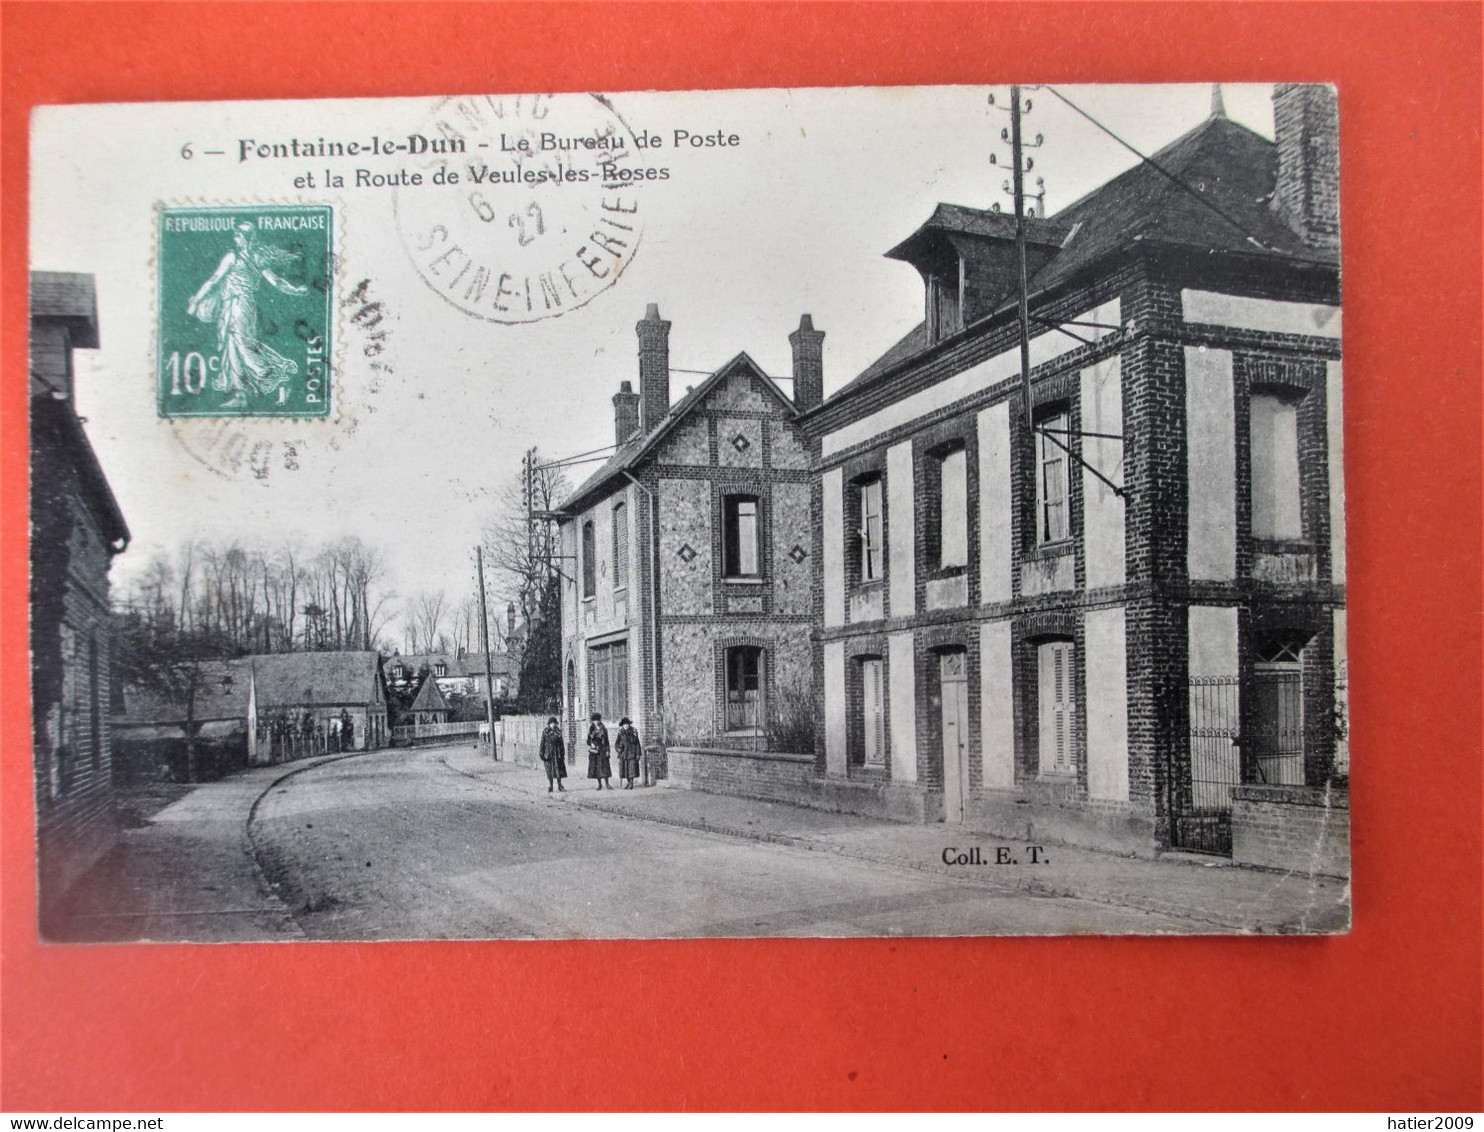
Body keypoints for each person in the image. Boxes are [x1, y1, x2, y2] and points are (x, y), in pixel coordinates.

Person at [187, 221, 310, 408]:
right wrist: (295, 290)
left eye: (238, 235)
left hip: (241, 304)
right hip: (232, 305)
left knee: (243, 345)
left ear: (246, 238)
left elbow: (275, 281)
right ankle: (241, 394)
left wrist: (295, 290)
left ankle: (276, 375)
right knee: (233, 347)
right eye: (235, 235)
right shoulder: (248, 257)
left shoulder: (240, 257)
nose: (235, 238)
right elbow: (215, 280)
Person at [538, 716, 567, 793]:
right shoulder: (545, 731)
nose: (553, 724)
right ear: (549, 724)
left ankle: (559, 785)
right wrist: (541, 753)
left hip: (557, 753)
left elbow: (561, 744)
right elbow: (542, 743)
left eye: (554, 723)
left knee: (558, 770)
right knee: (549, 770)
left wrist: (563, 753)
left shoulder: (558, 732)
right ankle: (551, 786)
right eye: (551, 723)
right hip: (548, 753)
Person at [586, 713, 612, 789]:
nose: (596, 722)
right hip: (594, 751)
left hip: (603, 750)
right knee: (597, 768)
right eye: (594, 720)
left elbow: (607, 741)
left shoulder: (603, 729)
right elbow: (588, 741)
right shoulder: (591, 729)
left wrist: (608, 750)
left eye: (597, 720)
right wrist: (591, 744)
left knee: (605, 767)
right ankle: (599, 784)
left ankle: (607, 784)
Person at [615, 717, 642, 789]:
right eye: (624, 725)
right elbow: (617, 742)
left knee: (632, 768)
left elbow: (637, 744)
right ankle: (628, 782)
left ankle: (631, 783)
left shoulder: (633, 732)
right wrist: (618, 749)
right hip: (623, 753)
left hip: (632, 753)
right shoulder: (620, 732)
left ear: (629, 725)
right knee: (625, 769)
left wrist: (638, 753)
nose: (626, 726)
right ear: (622, 725)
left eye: (627, 724)